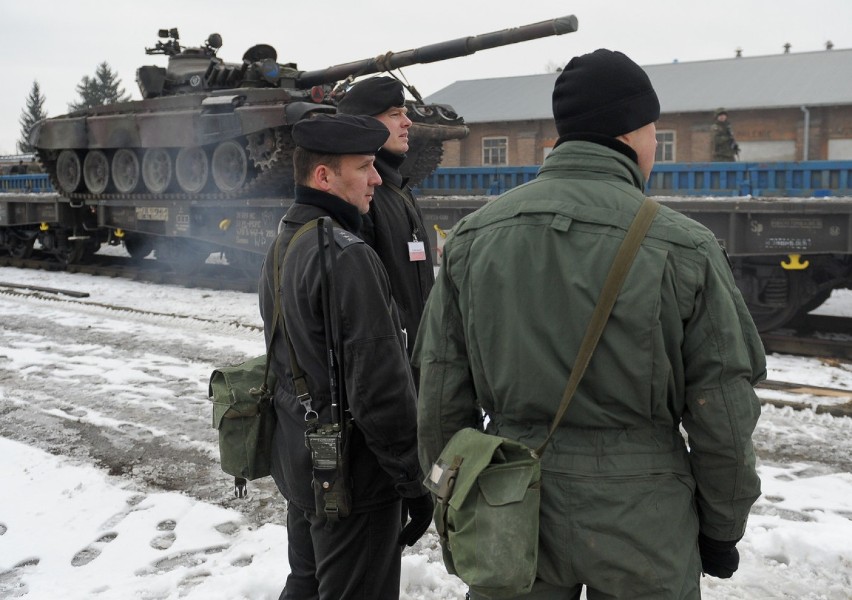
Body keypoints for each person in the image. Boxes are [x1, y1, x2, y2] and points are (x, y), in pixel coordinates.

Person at [415, 49, 765, 600]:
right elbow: (721, 411)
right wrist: (722, 530)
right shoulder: (684, 246)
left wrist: (454, 504)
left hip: (512, 502)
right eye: (653, 130)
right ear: (631, 133)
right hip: (644, 521)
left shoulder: (472, 238)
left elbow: (438, 397)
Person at [258, 113, 433, 599]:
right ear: (324, 177)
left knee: (307, 584)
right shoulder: (347, 254)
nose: (377, 178)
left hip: (303, 466)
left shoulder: (283, 242)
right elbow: (379, 388)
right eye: (364, 166)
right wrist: (412, 481)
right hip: (354, 481)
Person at [336, 76, 434, 386]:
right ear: (365, 124)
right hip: (389, 372)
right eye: (394, 114)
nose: (407, 122)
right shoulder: (361, 196)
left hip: (414, 363)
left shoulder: (395, 188)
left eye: (404, 112)